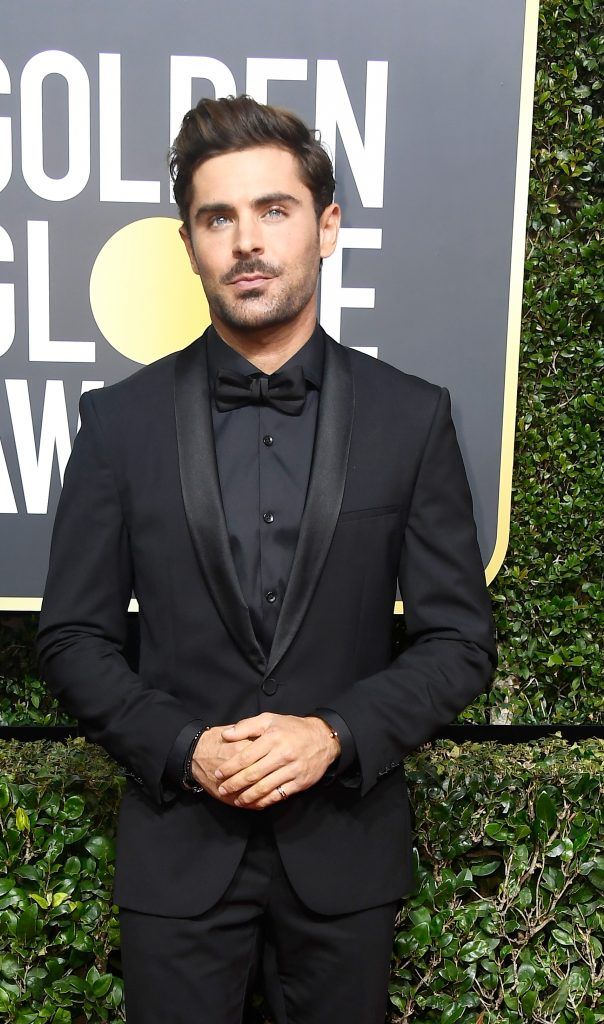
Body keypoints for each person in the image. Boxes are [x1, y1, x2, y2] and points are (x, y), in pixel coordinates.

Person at [36, 94, 497, 1024]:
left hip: (345, 856)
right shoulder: (118, 427)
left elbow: (458, 641)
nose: (246, 240)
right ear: (190, 245)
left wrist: (332, 734)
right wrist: (184, 748)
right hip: (177, 859)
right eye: (218, 217)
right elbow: (73, 639)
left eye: (273, 210)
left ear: (325, 228)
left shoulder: (413, 418)